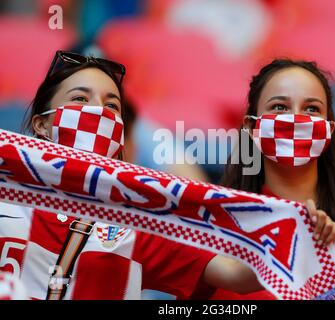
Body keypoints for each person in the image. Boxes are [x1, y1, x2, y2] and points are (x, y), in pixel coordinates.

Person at [0, 50, 261, 300]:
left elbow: (237, 275)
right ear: (41, 124)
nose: (99, 111)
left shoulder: (137, 221)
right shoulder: (5, 196)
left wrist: (291, 231)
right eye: (80, 99)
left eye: (111, 104)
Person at [197, 59, 335, 300]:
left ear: (329, 129)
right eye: (279, 107)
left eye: (312, 109)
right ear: (252, 127)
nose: (296, 119)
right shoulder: (216, 225)